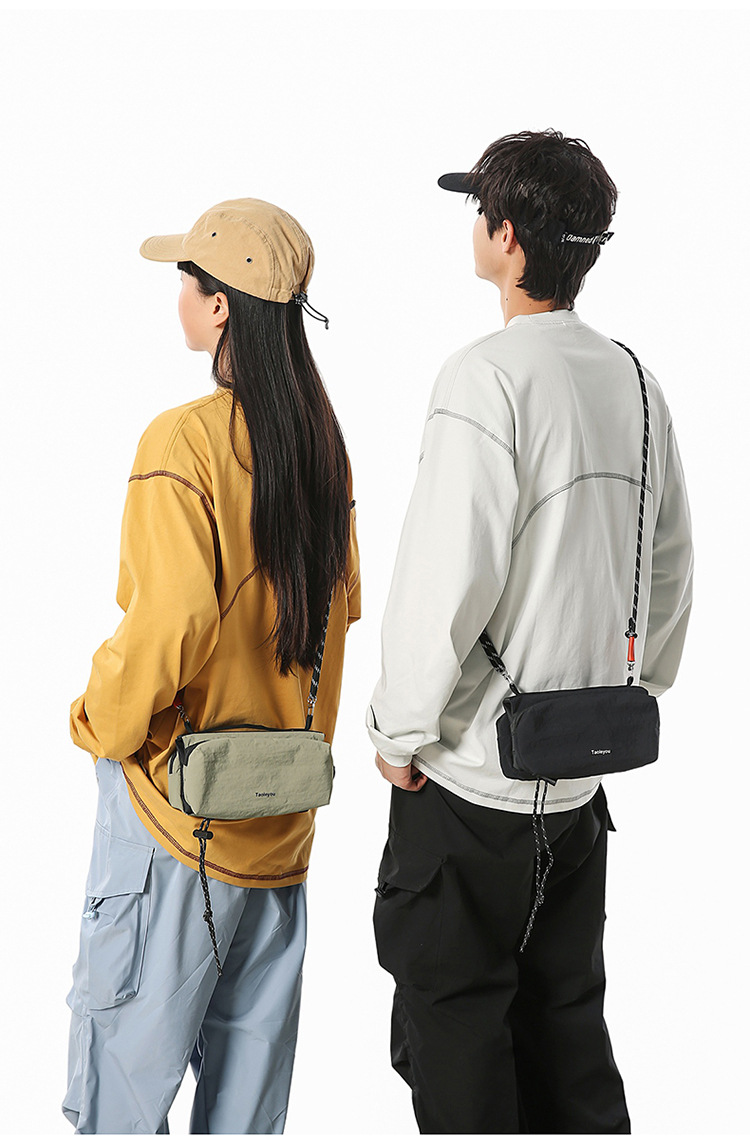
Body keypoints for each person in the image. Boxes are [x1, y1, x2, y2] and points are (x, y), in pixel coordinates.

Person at [366, 130, 693, 1134]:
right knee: (565, 1031)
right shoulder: (635, 381)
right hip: (581, 777)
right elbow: (670, 561)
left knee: (456, 1030)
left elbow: (444, 576)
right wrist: (632, 690)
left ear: (507, 238)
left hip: (472, 782)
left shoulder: (485, 378)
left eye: (481, 211)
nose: (476, 226)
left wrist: (398, 731)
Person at [63, 197, 361, 1134]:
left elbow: (174, 619)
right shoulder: (322, 448)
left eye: (187, 279)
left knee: (120, 1101)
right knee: (245, 1119)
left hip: (177, 825)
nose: (180, 296)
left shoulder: (183, 441)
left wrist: (101, 722)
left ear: (221, 304)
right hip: (280, 832)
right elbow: (341, 614)